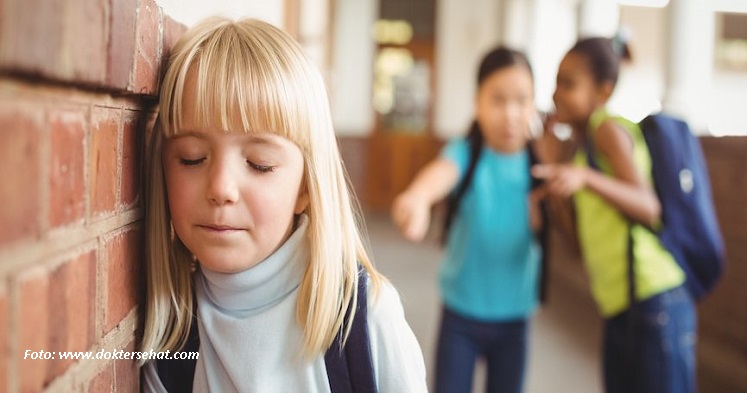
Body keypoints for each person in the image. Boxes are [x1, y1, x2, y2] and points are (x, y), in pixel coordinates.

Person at [139, 16, 427, 392]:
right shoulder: (168, 342)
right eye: (192, 158)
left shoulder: (364, 320)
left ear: (306, 187)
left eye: (259, 164)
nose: (221, 188)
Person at [532, 36, 695, 393]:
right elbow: (575, 248)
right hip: (619, 307)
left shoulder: (607, 129)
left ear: (603, 92)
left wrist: (586, 178)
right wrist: (553, 172)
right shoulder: (579, 148)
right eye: (557, 81)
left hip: (655, 299)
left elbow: (649, 208)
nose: (556, 93)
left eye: (569, 83)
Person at [391, 47, 544, 393]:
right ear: (478, 102)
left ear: (534, 104)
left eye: (522, 100)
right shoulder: (466, 152)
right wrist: (418, 198)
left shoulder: (540, 164)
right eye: (498, 100)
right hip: (461, 314)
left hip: (515, 318)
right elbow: (440, 175)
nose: (510, 114)